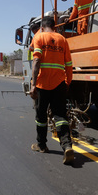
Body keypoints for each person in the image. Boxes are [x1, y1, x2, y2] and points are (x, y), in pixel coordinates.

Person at [30, 17, 74, 165]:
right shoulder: (62, 39)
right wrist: (67, 82)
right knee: (61, 116)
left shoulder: (39, 37)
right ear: (54, 27)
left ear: (42, 27)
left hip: (42, 84)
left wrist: (33, 84)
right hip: (59, 84)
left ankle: (42, 145)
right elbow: (68, 64)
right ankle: (67, 146)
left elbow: (36, 61)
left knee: (41, 117)